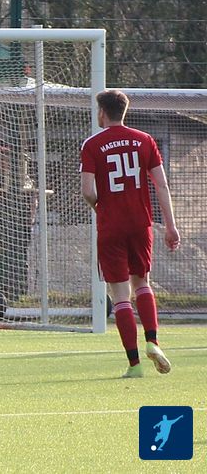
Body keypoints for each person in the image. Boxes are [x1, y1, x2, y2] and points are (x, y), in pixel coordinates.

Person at [80, 89, 179, 378]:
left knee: (121, 295)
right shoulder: (145, 140)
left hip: (111, 226)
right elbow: (161, 185)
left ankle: (134, 365)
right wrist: (171, 226)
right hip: (140, 223)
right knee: (142, 283)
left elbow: (87, 191)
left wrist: (100, 208)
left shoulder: (92, 144)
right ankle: (153, 341)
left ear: (102, 112)